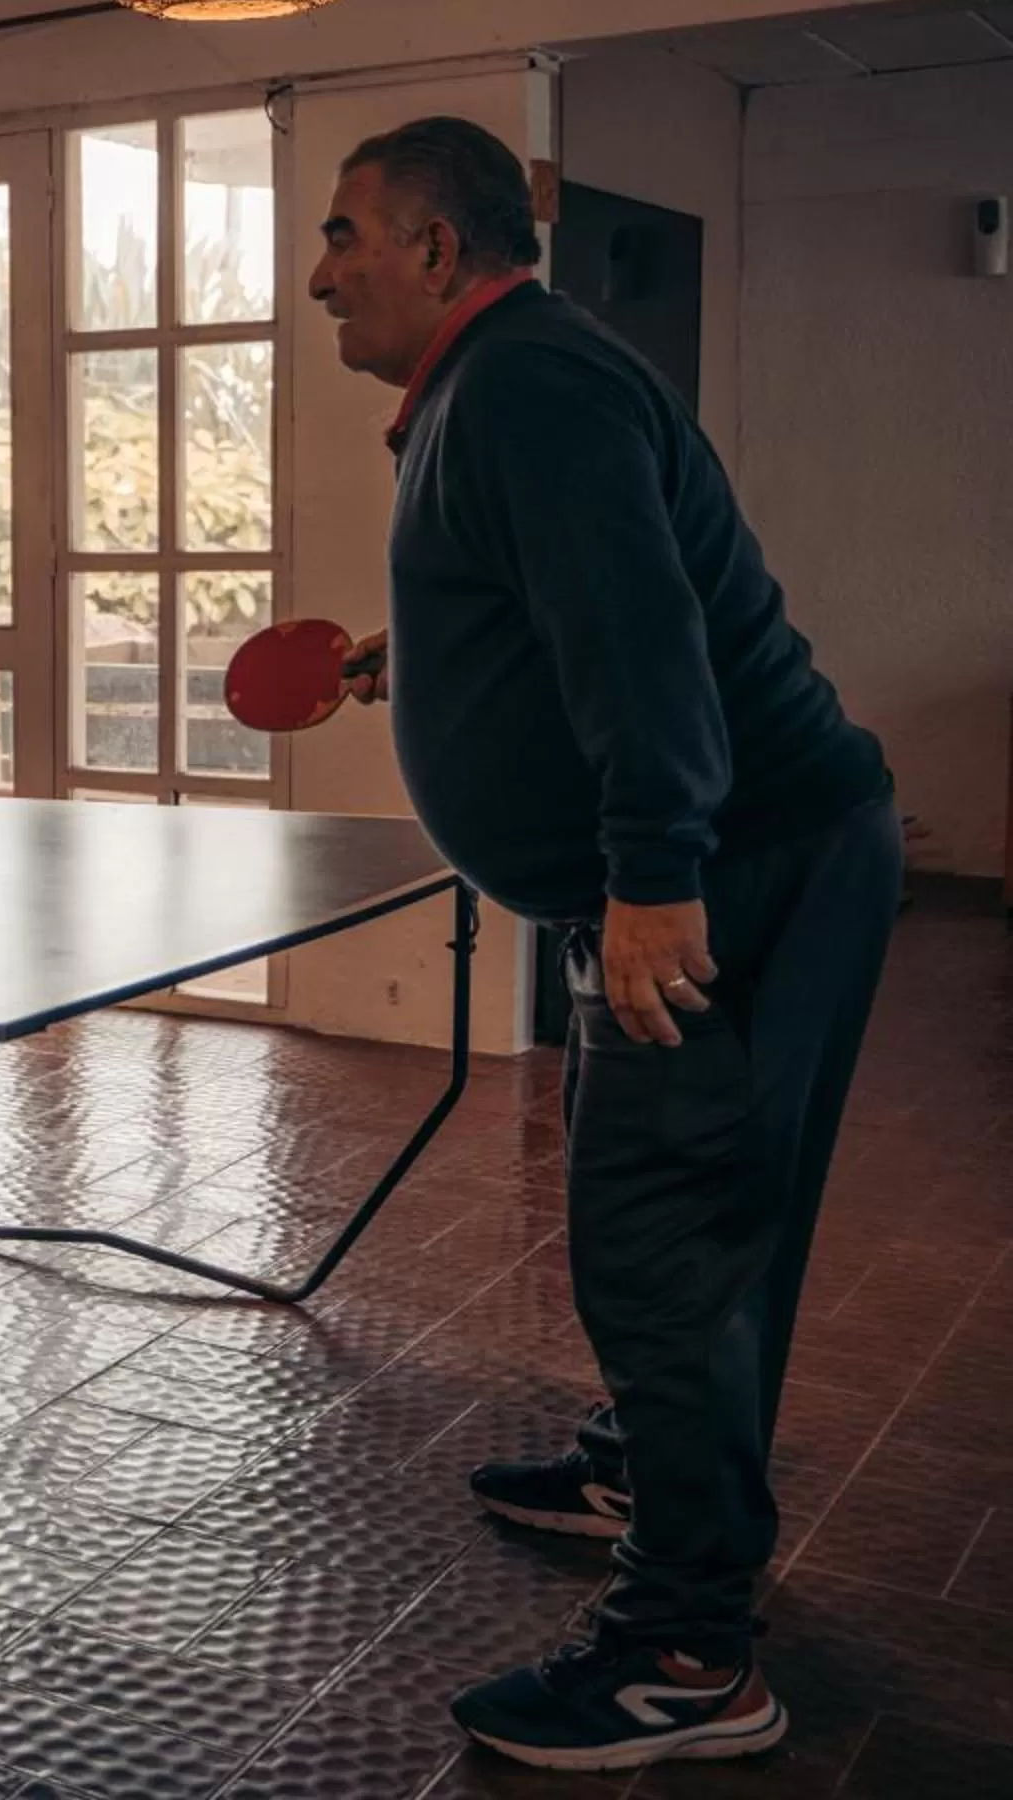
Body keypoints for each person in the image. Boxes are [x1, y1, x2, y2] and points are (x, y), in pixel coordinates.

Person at [307, 117, 899, 1773]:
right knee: (664, 1219)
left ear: (437, 249)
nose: (316, 273)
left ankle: (687, 1653)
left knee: (670, 1235)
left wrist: (655, 878)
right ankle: (651, 1463)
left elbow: (647, 655)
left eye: (344, 234)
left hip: (737, 869)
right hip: (705, 861)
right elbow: (559, 600)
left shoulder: (530, 386)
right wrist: (413, 654)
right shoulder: (495, 388)